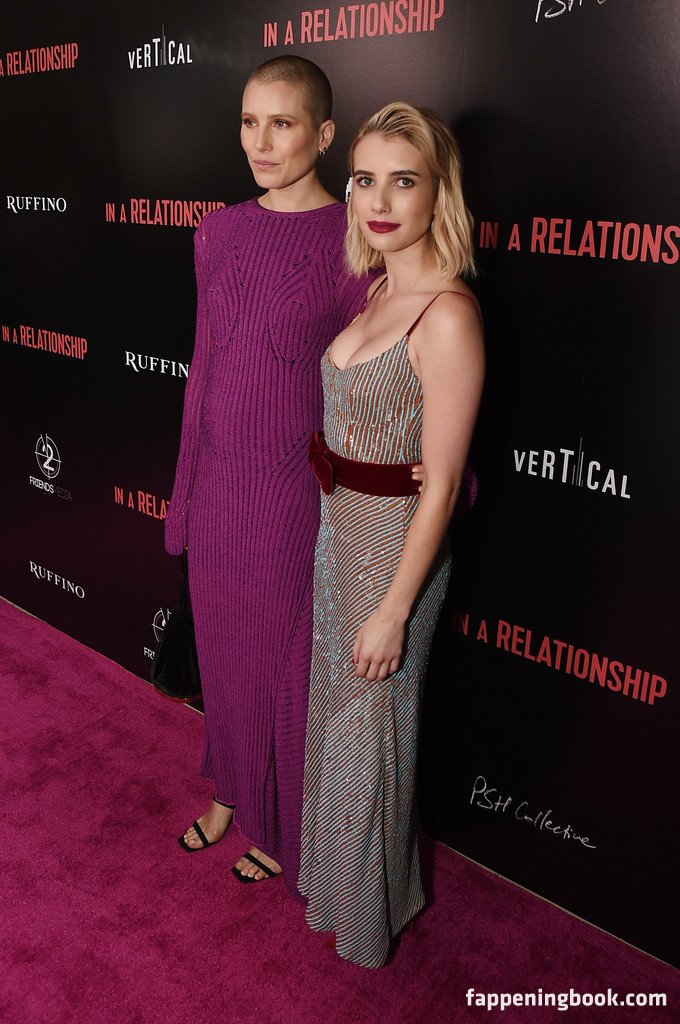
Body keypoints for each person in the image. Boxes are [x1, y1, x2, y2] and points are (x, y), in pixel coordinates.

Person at [165, 56, 383, 889]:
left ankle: (275, 819)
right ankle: (228, 790)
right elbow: (204, 368)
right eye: (249, 122)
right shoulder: (217, 232)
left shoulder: (355, 239)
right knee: (223, 656)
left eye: (282, 123)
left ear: (323, 135)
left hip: (293, 494)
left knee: (284, 668)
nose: (261, 142)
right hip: (218, 486)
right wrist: (183, 497)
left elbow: (376, 386)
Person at [299, 102, 485, 967]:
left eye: (402, 181)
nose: (378, 201)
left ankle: (370, 923)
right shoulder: (379, 289)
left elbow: (441, 485)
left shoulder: (446, 314)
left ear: (438, 191)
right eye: (364, 179)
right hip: (339, 536)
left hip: (394, 556)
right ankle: (339, 890)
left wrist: (395, 609)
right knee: (341, 726)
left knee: (374, 737)